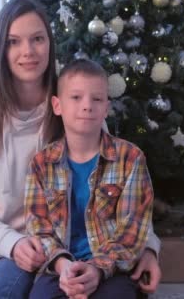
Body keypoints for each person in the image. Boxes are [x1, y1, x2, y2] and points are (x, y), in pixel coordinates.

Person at [0, 0, 161, 299]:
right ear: (1, 50)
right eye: (14, 42)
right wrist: (8, 242)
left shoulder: (74, 108)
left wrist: (148, 247)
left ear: (49, 44)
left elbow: (116, 184)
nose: (27, 51)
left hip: (35, 246)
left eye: (37, 39)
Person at [26, 59, 154, 299]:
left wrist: (97, 269)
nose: (87, 106)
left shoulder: (131, 158)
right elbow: (38, 228)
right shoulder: (41, 164)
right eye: (76, 98)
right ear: (57, 105)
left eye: (96, 99)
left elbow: (132, 229)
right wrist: (64, 267)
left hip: (112, 268)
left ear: (106, 107)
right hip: (60, 268)